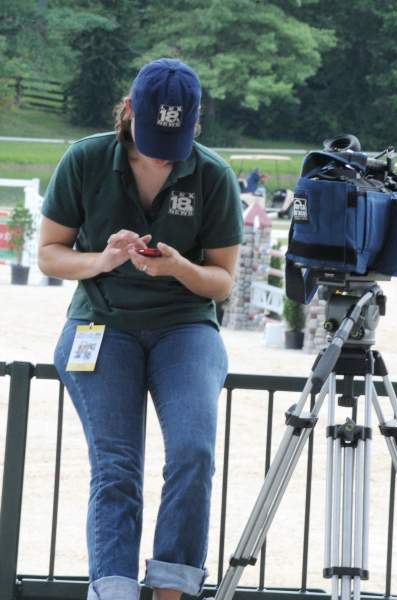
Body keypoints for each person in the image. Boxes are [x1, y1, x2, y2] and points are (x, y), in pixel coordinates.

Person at [38, 58, 244, 600]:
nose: (160, 152)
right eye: (152, 137)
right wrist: (101, 260)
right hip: (101, 322)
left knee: (194, 453)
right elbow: (49, 255)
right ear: (128, 113)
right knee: (116, 467)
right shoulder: (84, 159)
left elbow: (222, 281)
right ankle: (114, 590)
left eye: (173, 141)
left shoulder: (213, 175)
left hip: (185, 325)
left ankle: (173, 588)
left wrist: (179, 266)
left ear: (196, 125)